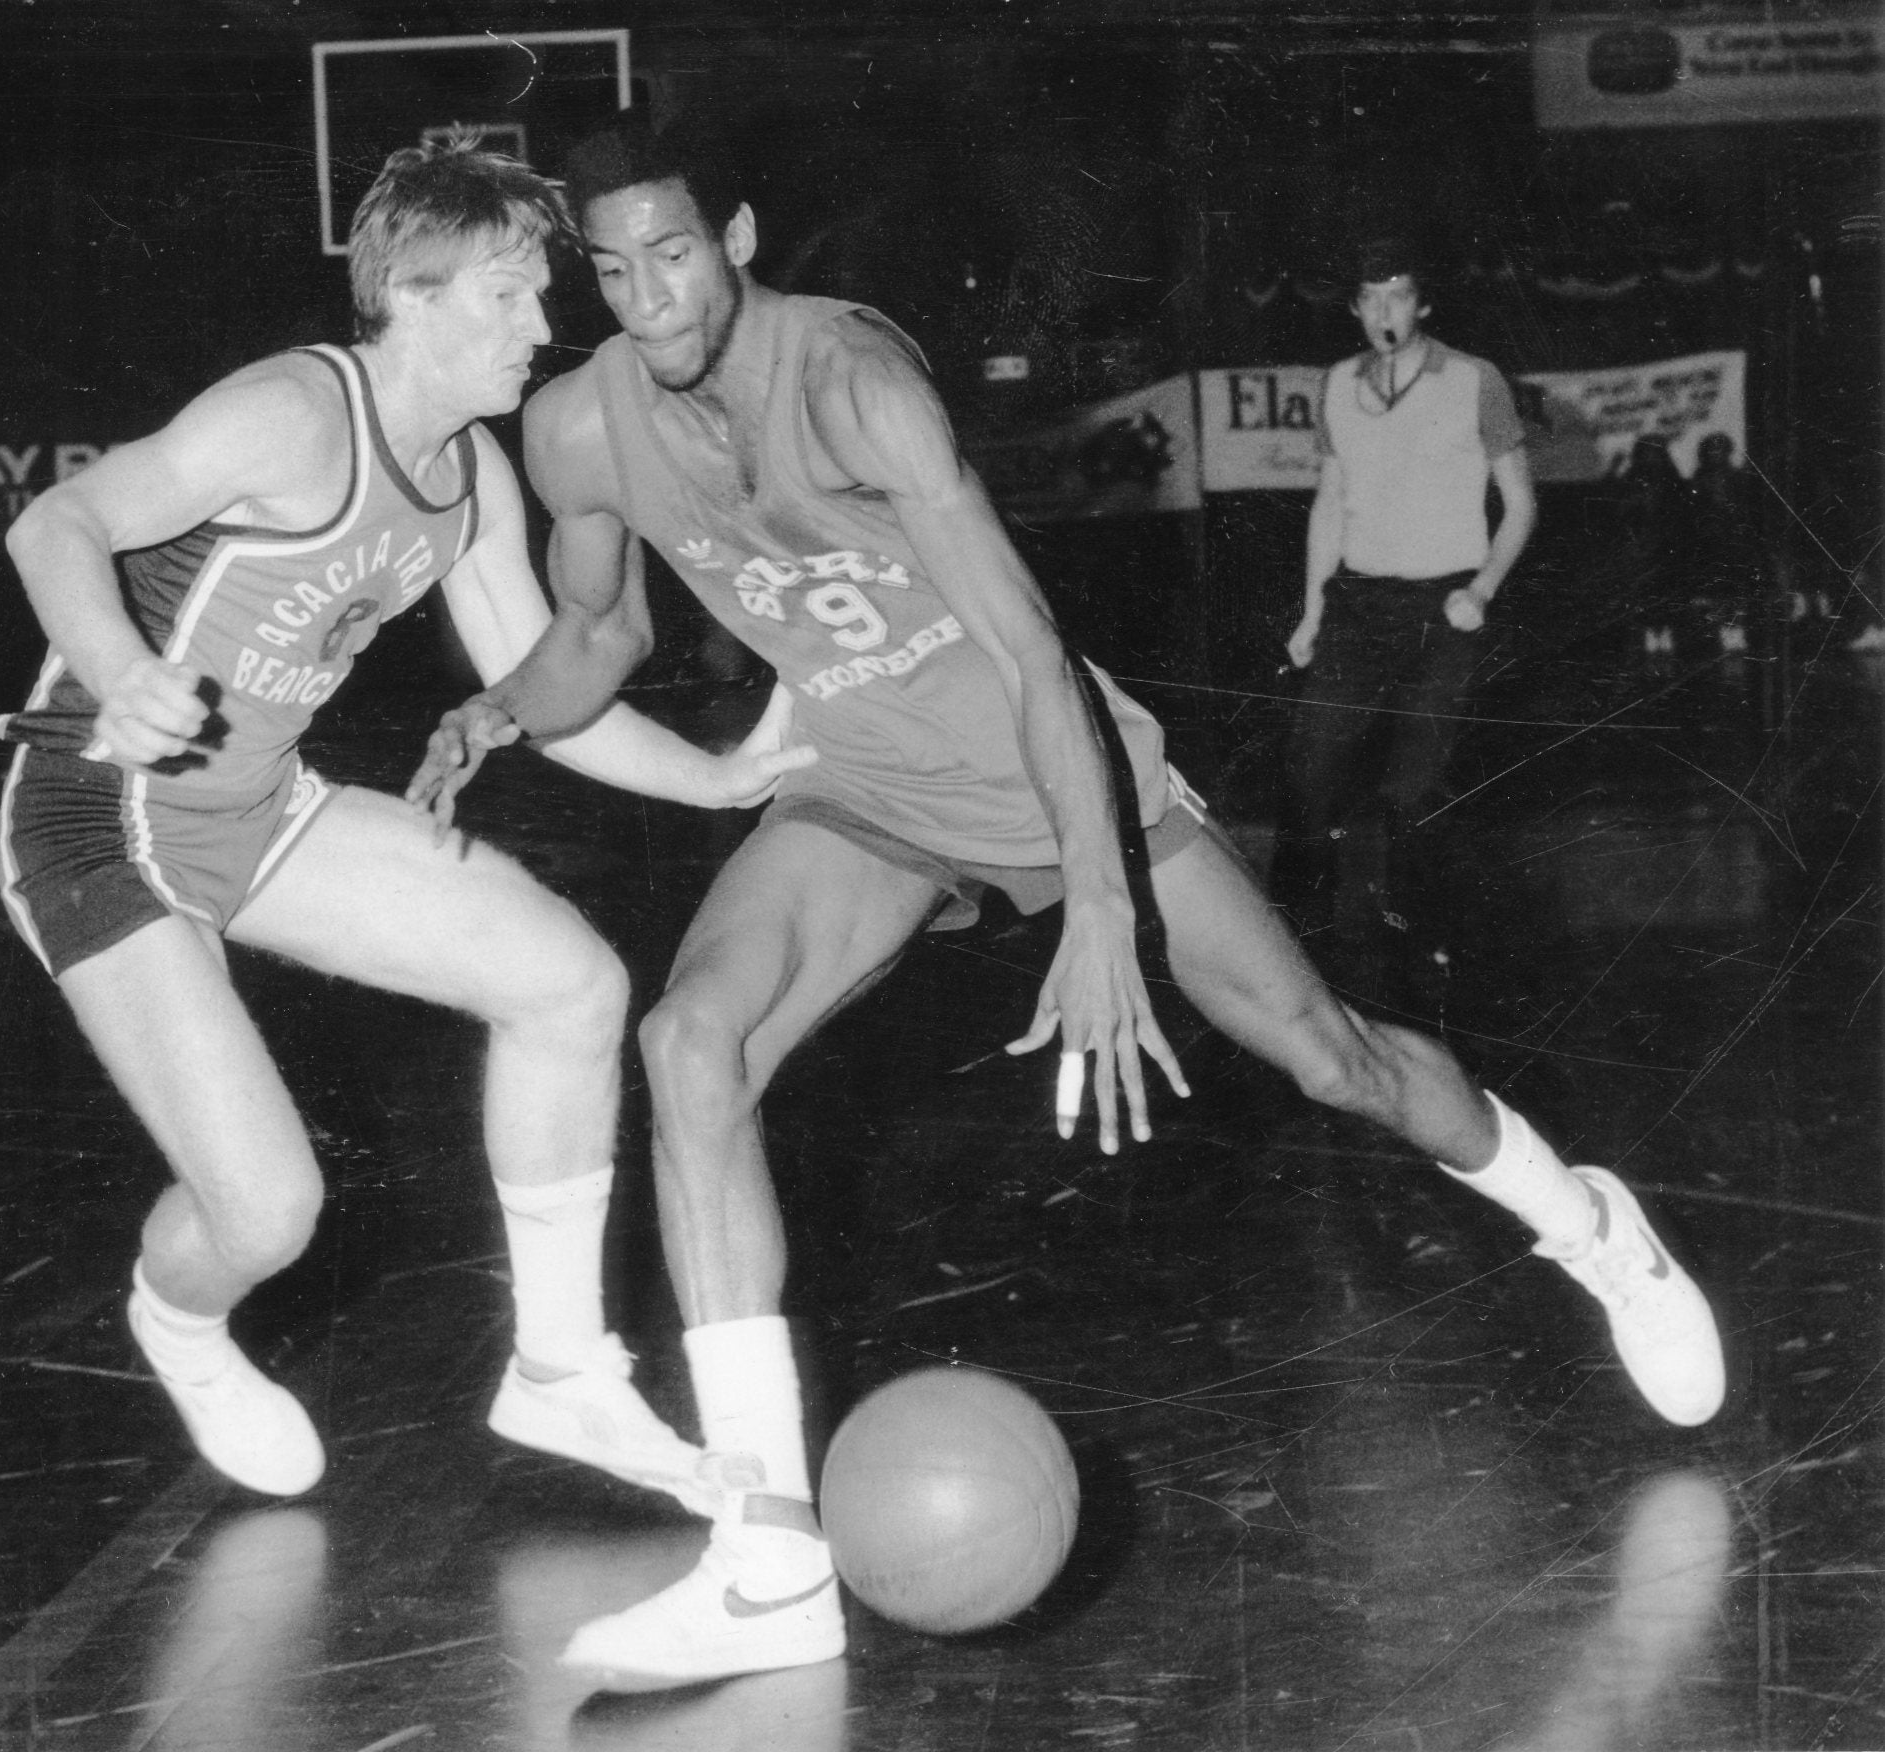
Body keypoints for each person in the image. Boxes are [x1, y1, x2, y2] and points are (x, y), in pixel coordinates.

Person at [408, 124, 1725, 1685]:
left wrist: (1098, 907)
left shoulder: (850, 378)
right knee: (693, 1039)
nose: (651, 299)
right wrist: (500, 708)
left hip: (1050, 767)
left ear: (738, 235)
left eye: (675, 255)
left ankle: (1586, 1228)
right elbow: (596, 633)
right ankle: (765, 1555)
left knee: (1328, 1056)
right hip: (870, 789)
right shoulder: (574, 429)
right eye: (613, 272)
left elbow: (1032, 657)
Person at [0, 137, 811, 1505]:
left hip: (260, 812)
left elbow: (544, 691)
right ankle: (178, 1322)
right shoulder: (292, 414)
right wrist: (123, 673)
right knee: (267, 1215)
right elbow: (53, 526)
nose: (545, 325)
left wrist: (722, 776)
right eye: (509, 294)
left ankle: (560, 1371)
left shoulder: (472, 473)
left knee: (568, 984)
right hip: (97, 818)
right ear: (415, 295)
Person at [1281, 240, 1538, 954]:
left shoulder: (1474, 379)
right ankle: (1292, 935)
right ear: (1355, 306)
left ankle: (1418, 938)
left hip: (1444, 603)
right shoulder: (1337, 384)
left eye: (1397, 295)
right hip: (1358, 604)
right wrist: (1312, 607)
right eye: (1369, 297)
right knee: (1309, 769)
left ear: (1423, 303)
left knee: (1415, 790)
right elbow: (1328, 503)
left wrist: (1482, 589)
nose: (1381, 311)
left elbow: (1519, 506)